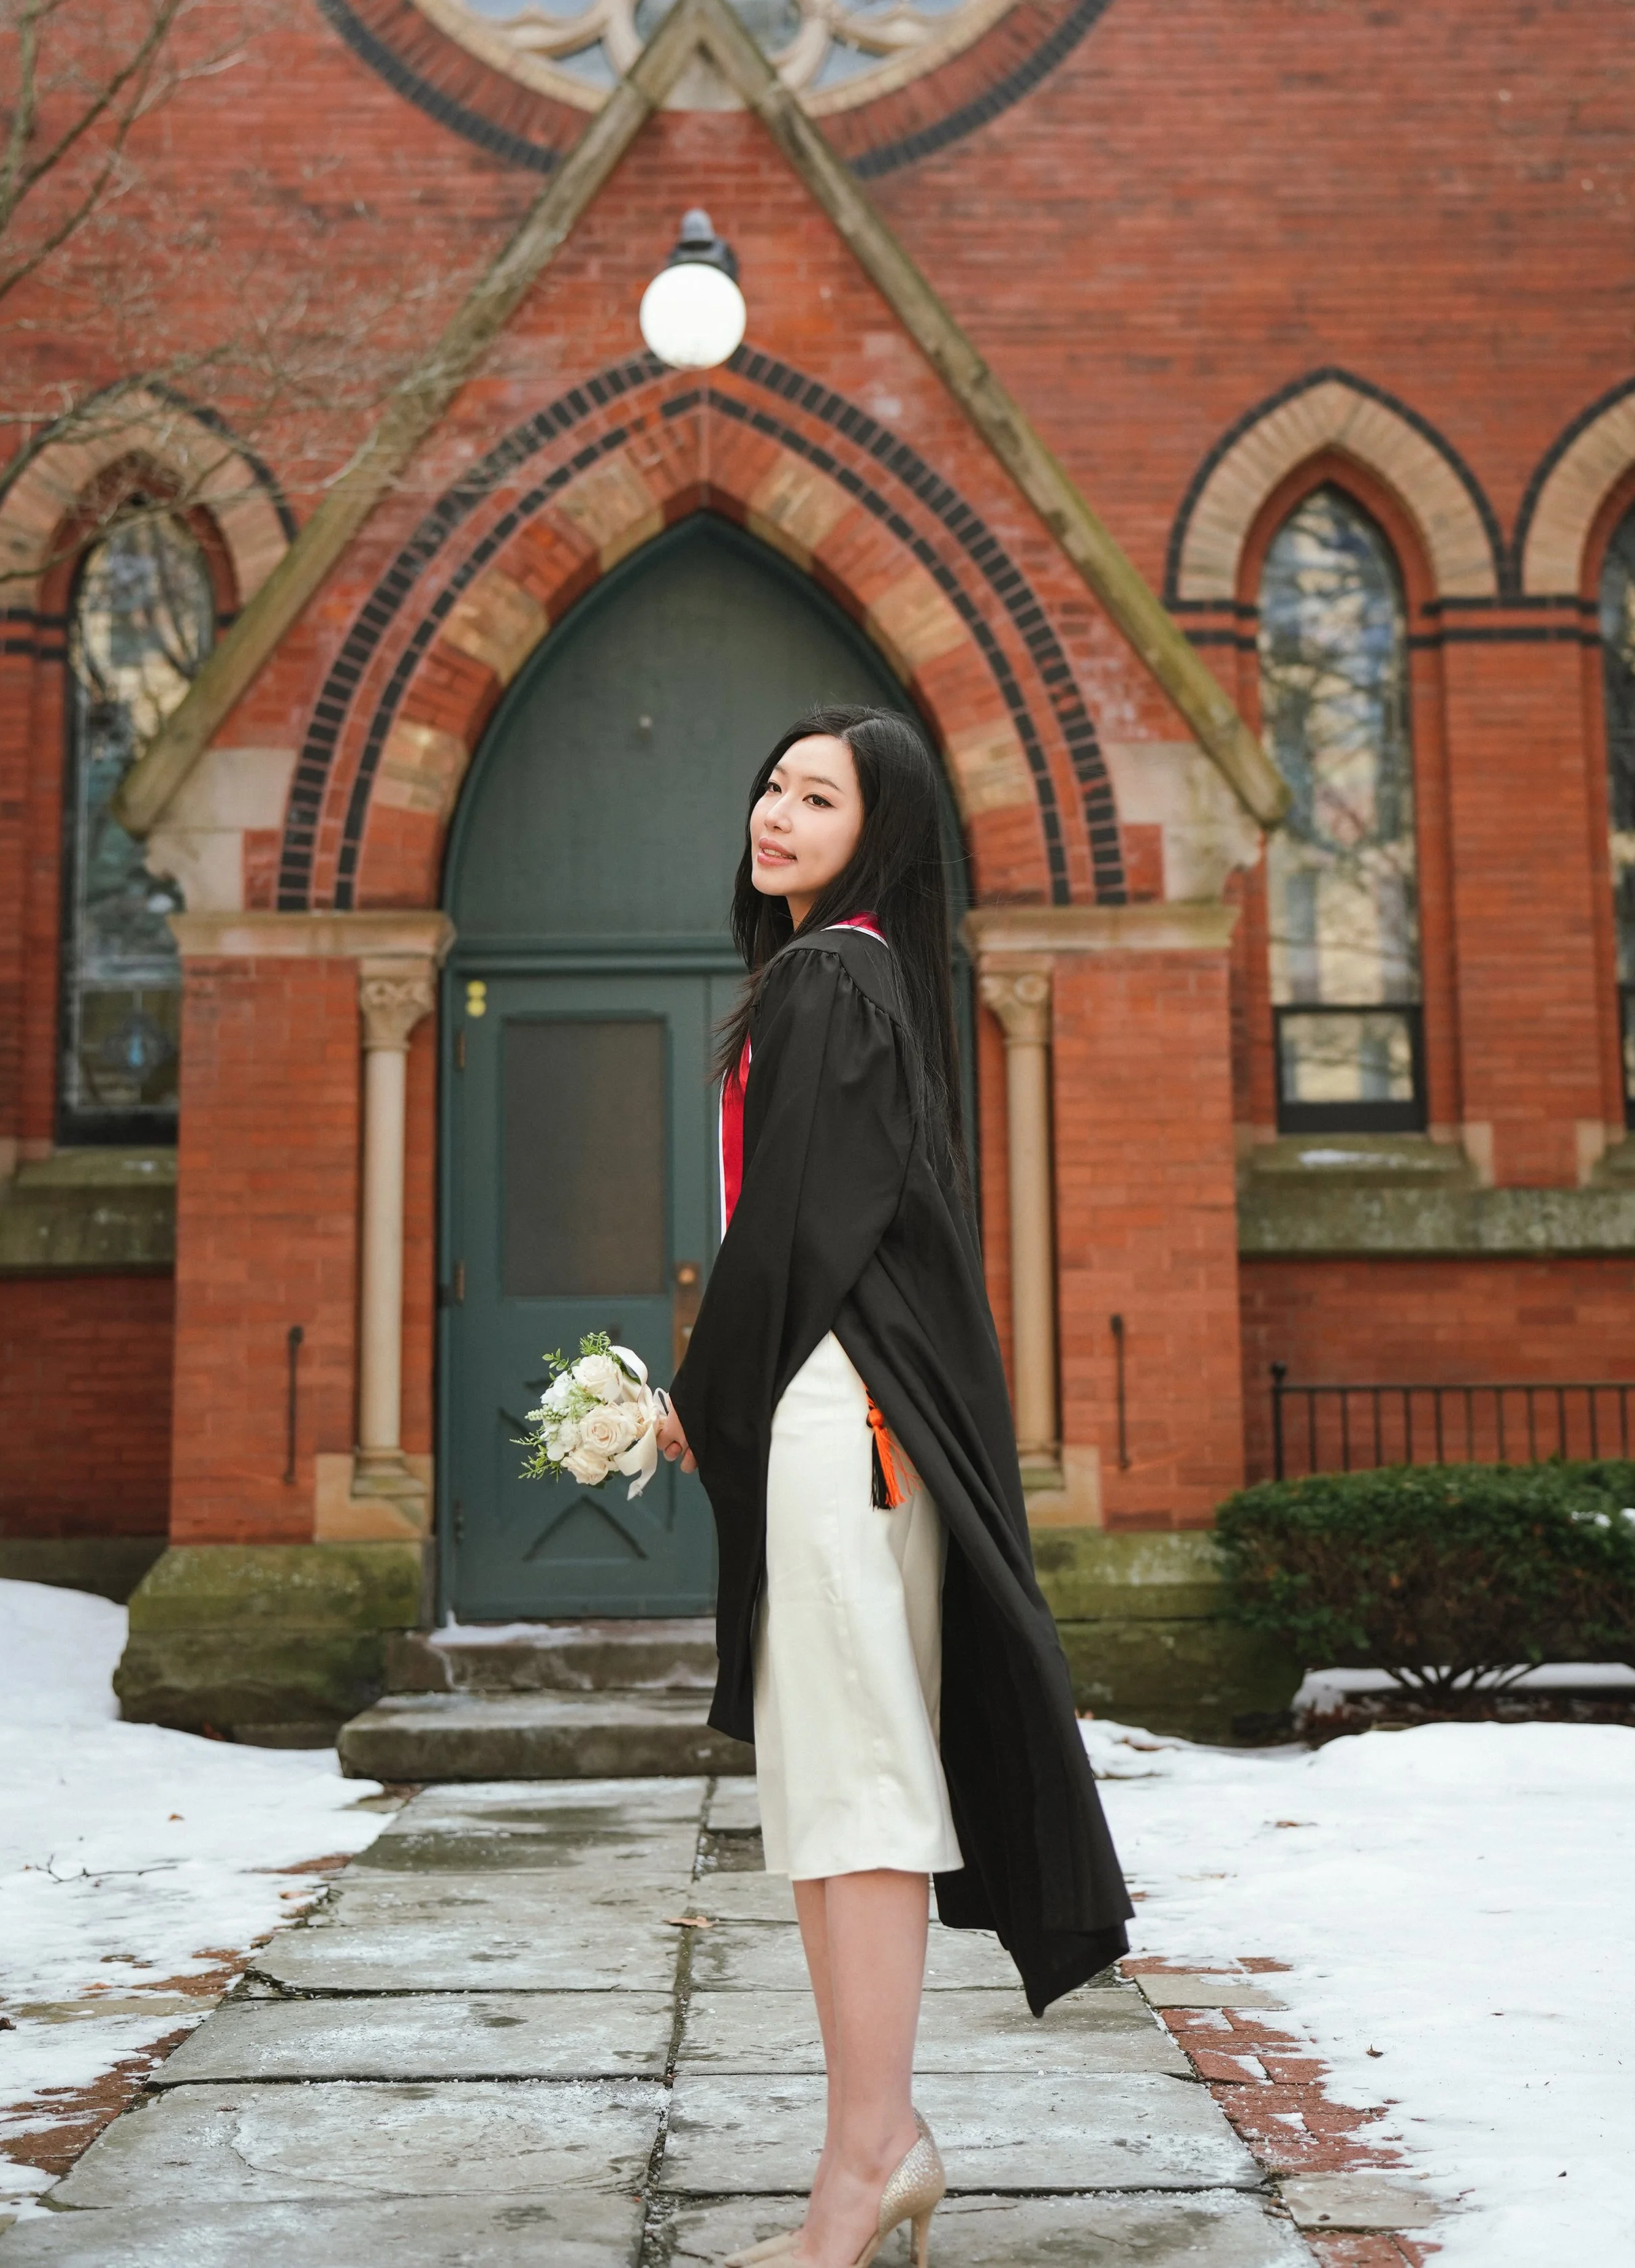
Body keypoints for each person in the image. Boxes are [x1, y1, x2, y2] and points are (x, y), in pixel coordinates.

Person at [658, 704, 1131, 2268]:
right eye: (770, 783)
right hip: (835, 1415)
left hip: (831, 1419)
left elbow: (797, 1228)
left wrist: (700, 1393)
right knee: (823, 1793)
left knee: (851, 1797)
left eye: (817, 796)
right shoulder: (853, 980)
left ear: (882, 832)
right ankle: (879, 2146)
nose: (774, 813)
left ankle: (860, 2175)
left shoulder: (829, 978)